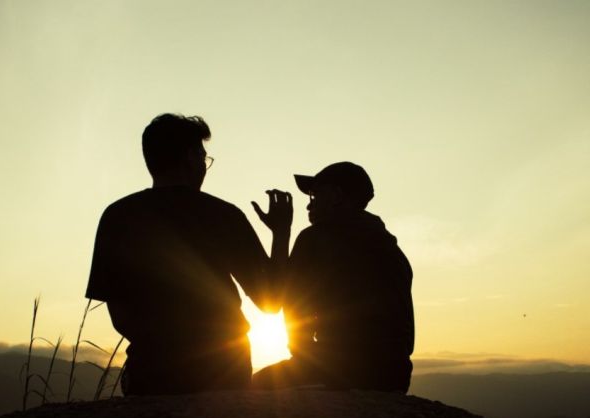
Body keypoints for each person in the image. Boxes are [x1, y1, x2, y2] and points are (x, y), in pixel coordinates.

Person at [86, 113, 292, 395]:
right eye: (203, 157)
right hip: (223, 369)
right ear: (190, 157)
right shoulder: (223, 215)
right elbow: (271, 300)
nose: (204, 166)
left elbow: (119, 315)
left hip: (150, 369)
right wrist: (281, 234)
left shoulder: (118, 216)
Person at [252, 162, 415, 392]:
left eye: (315, 194)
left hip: (340, 370)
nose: (309, 204)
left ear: (337, 196)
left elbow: (274, 300)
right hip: (394, 375)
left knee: (252, 388)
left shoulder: (316, 239)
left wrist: (281, 232)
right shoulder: (390, 248)